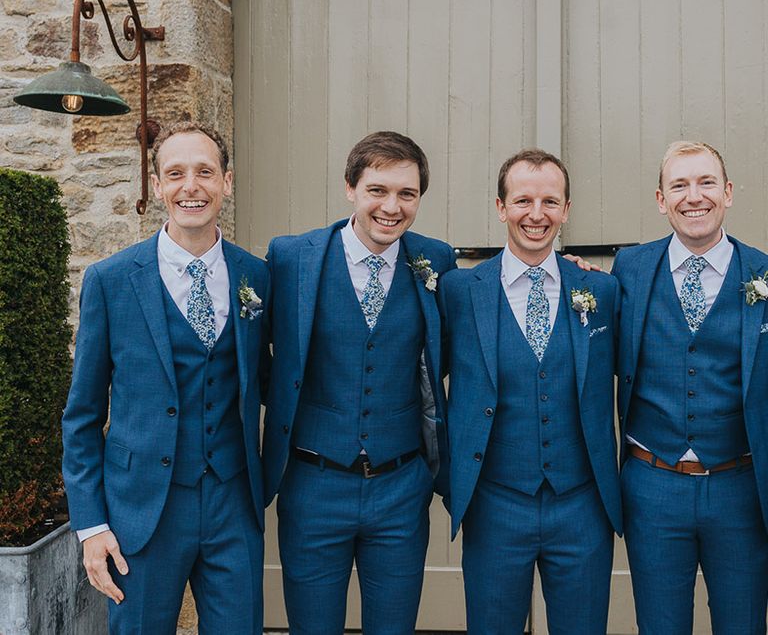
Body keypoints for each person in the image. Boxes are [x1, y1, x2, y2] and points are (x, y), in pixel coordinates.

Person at [62, 121, 270, 634]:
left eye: (205, 172)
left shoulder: (256, 276)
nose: (190, 187)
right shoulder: (110, 281)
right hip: (141, 510)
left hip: (232, 502)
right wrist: (91, 527)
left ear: (228, 181)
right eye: (175, 174)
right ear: (157, 186)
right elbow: (82, 416)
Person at [262, 130, 456, 635]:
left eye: (407, 194)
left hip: (401, 487)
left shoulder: (436, 261)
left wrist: (566, 273)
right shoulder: (290, 258)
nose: (392, 207)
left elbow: (488, 308)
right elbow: (251, 353)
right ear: (351, 187)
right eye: (378, 190)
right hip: (312, 484)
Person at [440, 148, 622, 634]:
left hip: (582, 504)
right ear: (501, 208)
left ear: (566, 210)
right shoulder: (459, 291)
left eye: (550, 202)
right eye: (522, 201)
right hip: (496, 502)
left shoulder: (601, 292)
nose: (536, 215)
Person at [613, 141, 768, 635]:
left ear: (727, 193)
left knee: (743, 625)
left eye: (705, 183)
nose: (693, 196)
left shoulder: (763, 273)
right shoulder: (629, 271)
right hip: (653, 484)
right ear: (661, 199)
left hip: (740, 486)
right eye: (679, 184)